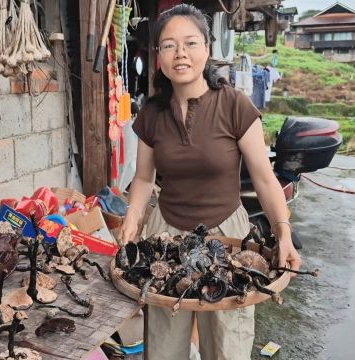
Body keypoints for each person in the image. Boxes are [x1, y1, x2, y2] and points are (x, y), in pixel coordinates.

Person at [118, 4, 301, 360]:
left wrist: (283, 232)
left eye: (190, 43)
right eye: (168, 45)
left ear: (206, 48)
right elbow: (143, 178)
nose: (180, 53)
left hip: (227, 236)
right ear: (158, 56)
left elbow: (265, 178)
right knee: (164, 344)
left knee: (228, 344)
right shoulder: (151, 115)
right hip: (166, 234)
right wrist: (132, 217)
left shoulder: (235, 105)